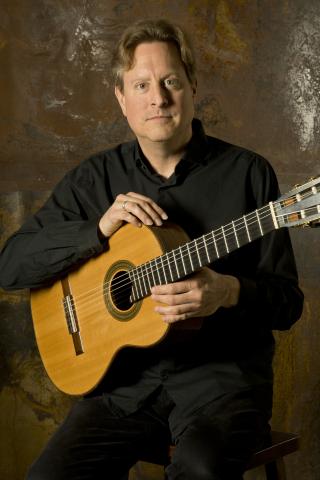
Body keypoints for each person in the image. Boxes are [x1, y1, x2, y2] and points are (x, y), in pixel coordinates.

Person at [0, 18, 303, 480]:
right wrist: (96, 232)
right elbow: (11, 266)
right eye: (141, 85)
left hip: (220, 386)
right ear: (122, 99)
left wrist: (228, 292)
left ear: (192, 87)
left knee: (199, 473)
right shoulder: (95, 179)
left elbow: (288, 303)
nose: (157, 98)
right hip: (124, 387)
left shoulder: (248, 174)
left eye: (170, 82)